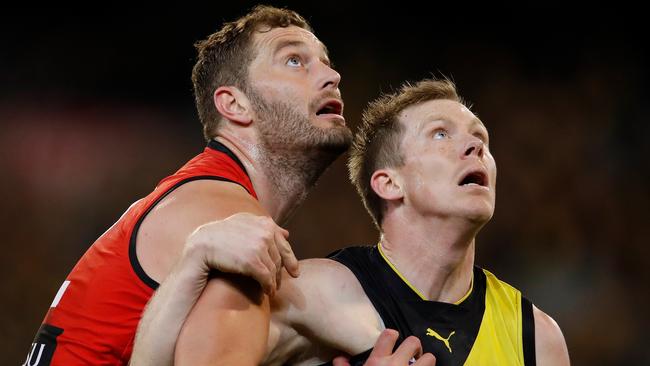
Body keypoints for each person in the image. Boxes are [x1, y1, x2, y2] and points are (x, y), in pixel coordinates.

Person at [24, 6, 424, 366]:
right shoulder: (228, 221)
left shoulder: (204, 198)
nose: (332, 76)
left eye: (326, 62)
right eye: (294, 60)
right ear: (234, 105)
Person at [132, 78, 570, 366]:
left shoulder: (538, 338)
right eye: (441, 133)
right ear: (388, 183)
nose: (475, 148)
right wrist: (193, 259)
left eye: (482, 140)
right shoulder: (311, 293)